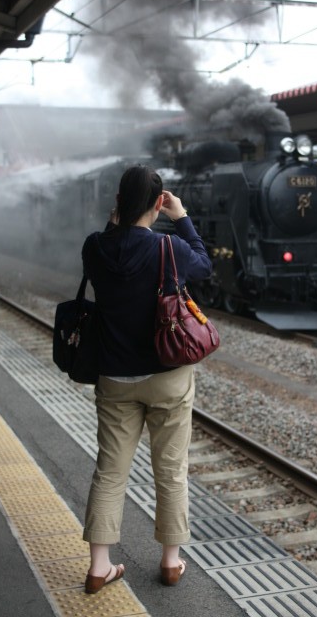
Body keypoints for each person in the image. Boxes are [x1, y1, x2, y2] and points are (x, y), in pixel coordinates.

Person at [81, 165, 212, 594]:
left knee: (110, 471)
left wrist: (117, 218)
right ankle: (171, 562)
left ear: (118, 202)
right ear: (159, 203)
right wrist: (182, 217)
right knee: (171, 471)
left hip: (115, 377)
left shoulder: (94, 247)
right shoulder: (169, 248)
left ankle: (99, 567)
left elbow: (109, 242)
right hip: (167, 377)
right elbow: (205, 266)